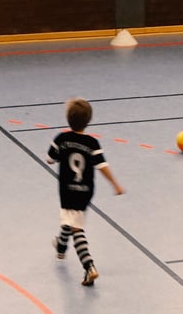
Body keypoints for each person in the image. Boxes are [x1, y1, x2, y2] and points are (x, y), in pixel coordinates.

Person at [47, 98, 125, 286]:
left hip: (67, 190)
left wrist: (54, 158)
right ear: (88, 120)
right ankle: (61, 246)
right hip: (86, 191)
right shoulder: (92, 143)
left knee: (76, 228)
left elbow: (50, 158)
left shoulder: (61, 139)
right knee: (71, 218)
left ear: (68, 119)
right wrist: (115, 184)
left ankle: (89, 266)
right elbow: (102, 166)